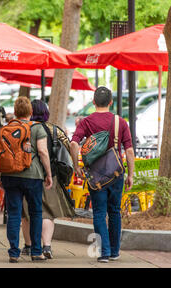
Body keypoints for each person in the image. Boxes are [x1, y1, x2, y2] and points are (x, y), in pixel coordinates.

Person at [70, 86, 134, 263]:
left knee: (98, 212)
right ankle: (115, 251)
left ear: (93, 102)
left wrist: (77, 166)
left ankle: (103, 252)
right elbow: (129, 150)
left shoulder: (86, 122)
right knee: (114, 211)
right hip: (116, 173)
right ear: (111, 102)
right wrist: (131, 175)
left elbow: (74, 144)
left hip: (96, 176)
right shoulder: (120, 122)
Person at [0, 96, 53, 263]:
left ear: (15, 112)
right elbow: (43, 152)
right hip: (33, 176)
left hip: (10, 175)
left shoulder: (7, 128)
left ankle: (13, 252)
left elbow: (0, 154)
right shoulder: (37, 128)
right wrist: (48, 174)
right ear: (31, 112)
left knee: (14, 213)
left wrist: (1, 176)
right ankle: (36, 251)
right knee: (36, 212)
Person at [20, 100, 75, 259]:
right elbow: (69, 148)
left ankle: (28, 246)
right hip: (49, 176)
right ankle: (47, 246)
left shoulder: (24, 128)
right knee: (48, 213)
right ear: (46, 112)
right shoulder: (55, 130)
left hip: (26, 175)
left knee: (26, 213)